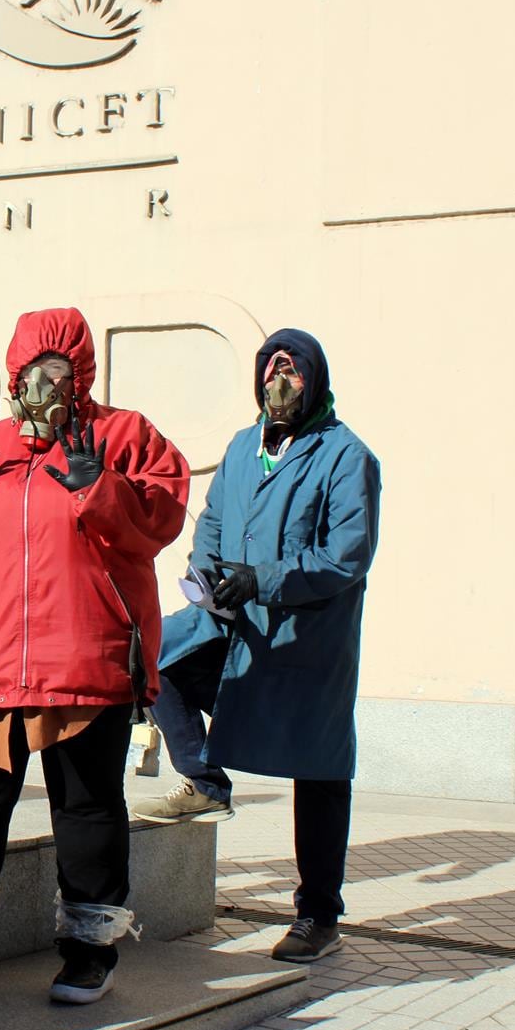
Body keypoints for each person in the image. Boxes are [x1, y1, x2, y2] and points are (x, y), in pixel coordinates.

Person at [0, 308, 190, 1006]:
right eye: (35, 373)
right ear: (15, 376)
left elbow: (161, 516)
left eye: (62, 373)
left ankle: (91, 946)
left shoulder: (123, 435)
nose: (47, 385)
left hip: (84, 661)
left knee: (86, 811)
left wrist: (100, 485)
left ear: (81, 378)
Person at [133, 328, 381, 964]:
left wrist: (263, 580)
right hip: (235, 626)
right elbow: (212, 521)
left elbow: (345, 557)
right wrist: (209, 570)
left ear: (313, 381)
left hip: (306, 641)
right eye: (272, 369)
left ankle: (318, 916)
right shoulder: (244, 447)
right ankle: (205, 780)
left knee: (318, 770)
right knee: (158, 660)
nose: (281, 382)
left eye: (293, 372)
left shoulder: (347, 456)